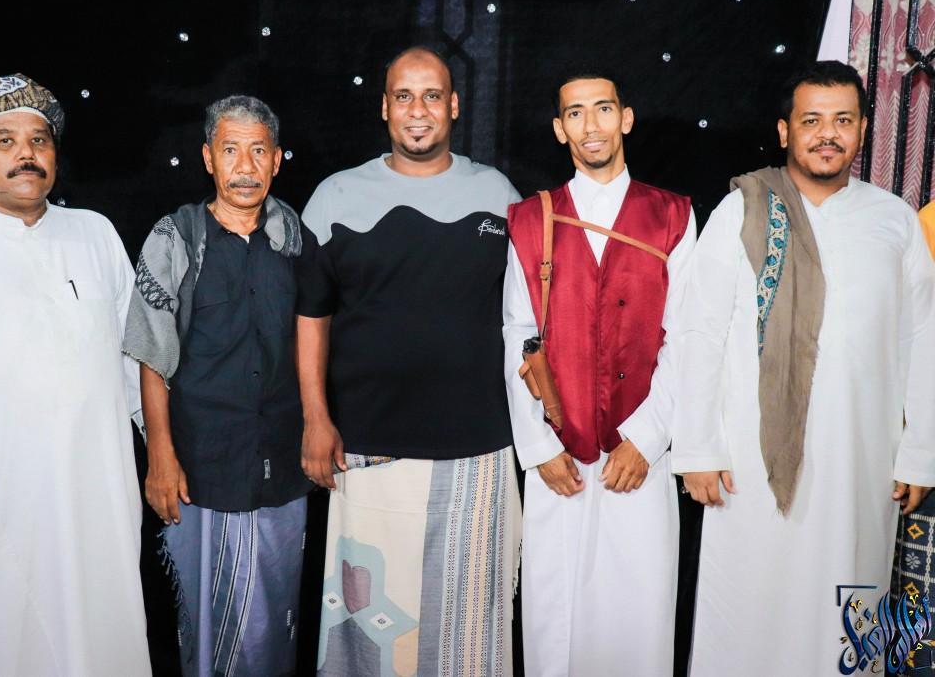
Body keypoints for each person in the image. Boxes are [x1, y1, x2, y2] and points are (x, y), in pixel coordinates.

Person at [673, 60, 935, 675]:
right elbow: (698, 334)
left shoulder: (894, 220)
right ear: (785, 130)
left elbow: (923, 340)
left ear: (863, 129)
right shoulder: (741, 211)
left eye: (842, 120)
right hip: (749, 463)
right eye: (812, 120)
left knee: (846, 609)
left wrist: (919, 454)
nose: (827, 134)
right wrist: (698, 448)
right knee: (748, 613)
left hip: (861, 463)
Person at [0, 74, 151, 676]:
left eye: (39, 140)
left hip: (97, 490)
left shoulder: (94, 233)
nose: (27, 154)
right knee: (2, 640)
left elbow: (135, 359)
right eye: (5, 141)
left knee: (105, 635)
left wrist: (164, 448)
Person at [297, 46, 522, 676]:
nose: (417, 110)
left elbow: (529, 316)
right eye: (403, 96)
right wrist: (315, 418)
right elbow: (310, 318)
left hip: (477, 453)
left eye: (431, 96)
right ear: (384, 108)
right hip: (368, 451)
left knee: (469, 628)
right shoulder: (336, 196)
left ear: (454, 106)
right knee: (370, 628)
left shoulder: (498, 195)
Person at [503, 68, 695, 676]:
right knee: (555, 622)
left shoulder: (672, 215)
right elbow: (516, 334)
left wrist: (647, 438)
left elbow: (687, 338)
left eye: (604, 109)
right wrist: (539, 448)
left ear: (626, 118)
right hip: (559, 455)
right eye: (576, 113)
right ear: (560, 129)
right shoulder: (530, 219)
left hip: (640, 456)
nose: (592, 125)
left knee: (639, 621)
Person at [123, 95, 311, 677]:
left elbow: (314, 343)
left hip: (282, 463)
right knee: (210, 623)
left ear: (277, 159)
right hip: (203, 466)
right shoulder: (175, 237)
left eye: (258, 151)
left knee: (275, 618)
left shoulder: (294, 237)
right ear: (208, 158)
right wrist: (160, 457)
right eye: (230, 150)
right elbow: (151, 357)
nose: (245, 166)